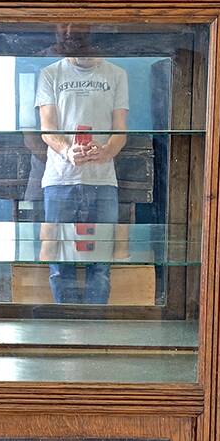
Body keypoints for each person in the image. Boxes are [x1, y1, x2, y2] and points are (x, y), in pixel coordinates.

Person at [35, 25, 129, 304]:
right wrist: (67, 151)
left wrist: (106, 151)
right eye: (71, 39)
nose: (77, 43)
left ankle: (96, 331)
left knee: (100, 265)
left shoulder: (117, 74)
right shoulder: (50, 73)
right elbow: (47, 129)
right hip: (59, 179)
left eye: (83, 38)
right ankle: (64, 329)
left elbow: (120, 129)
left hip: (102, 179)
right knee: (57, 262)